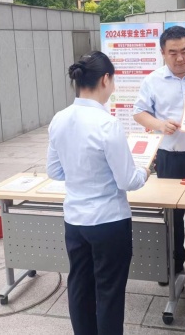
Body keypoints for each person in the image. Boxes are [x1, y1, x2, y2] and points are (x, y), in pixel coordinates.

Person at [47, 51, 150, 335]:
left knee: (79, 286)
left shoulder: (59, 119)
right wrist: (145, 170)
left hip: (75, 220)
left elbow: (54, 171)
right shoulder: (107, 123)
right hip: (108, 221)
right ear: (105, 79)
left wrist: (80, 174)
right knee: (109, 292)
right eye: (113, 80)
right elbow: (127, 180)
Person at [133, 25, 185, 281]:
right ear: (162, 53)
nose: (180, 58)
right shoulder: (153, 80)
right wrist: (160, 125)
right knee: (171, 215)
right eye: (173, 53)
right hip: (169, 157)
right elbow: (139, 113)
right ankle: (173, 265)